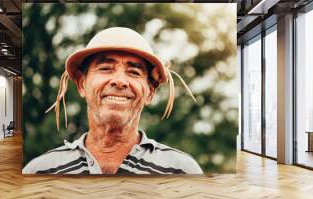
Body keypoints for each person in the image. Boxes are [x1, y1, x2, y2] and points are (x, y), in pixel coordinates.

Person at [22, 27, 203, 175]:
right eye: (106, 68)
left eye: (134, 72)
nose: (120, 81)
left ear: (149, 93)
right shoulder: (41, 171)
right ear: (82, 84)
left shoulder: (181, 170)